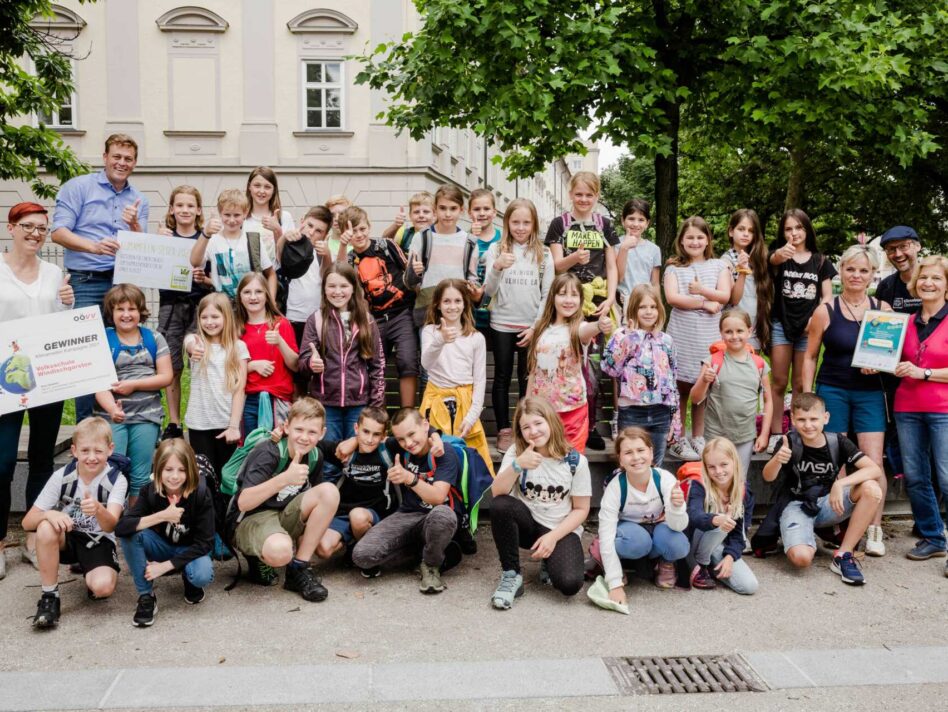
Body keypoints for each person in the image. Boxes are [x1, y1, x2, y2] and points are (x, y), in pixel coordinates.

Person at [51, 133, 149, 421]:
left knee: (118, 353)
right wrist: (93, 246)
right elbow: (58, 232)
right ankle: (86, 426)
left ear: (135, 163)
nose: (122, 163)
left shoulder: (138, 199)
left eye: (128, 159)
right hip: (86, 281)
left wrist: (133, 224)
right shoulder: (78, 187)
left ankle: (116, 421)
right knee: (86, 357)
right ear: (105, 157)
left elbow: (140, 245)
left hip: (121, 283)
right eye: (116, 156)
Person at [0, 202, 74, 578]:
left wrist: (69, 305)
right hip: (6, 381)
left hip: (47, 378)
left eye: (41, 228)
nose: (35, 233)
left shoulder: (53, 272)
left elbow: (59, 327)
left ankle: (32, 537)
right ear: (11, 227)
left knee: (43, 460)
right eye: (27, 226)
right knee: (3, 461)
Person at [802, 244, 889, 556]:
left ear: (872, 275)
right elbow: (810, 356)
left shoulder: (883, 308)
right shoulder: (825, 311)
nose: (856, 275)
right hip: (833, 389)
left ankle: (874, 529)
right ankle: (840, 525)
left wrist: (879, 363)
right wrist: (808, 395)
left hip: (869, 393)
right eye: (851, 269)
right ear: (841, 271)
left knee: (873, 460)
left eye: (863, 270)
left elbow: (891, 355)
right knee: (835, 459)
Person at [762, 393, 883, 586]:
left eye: (813, 419)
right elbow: (767, 477)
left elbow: (874, 469)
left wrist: (840, 483)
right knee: (801, 559)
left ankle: (844, 555)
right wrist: (777, 459)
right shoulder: (789, 442)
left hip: (829, 504)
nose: (808, 425)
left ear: (825, 418)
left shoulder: (838, 442)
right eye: (801, 419)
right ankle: (800, 535)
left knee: (871, 488)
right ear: (793, 419)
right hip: (796, 505)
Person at [22, 418, 128, 629]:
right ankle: (49, 597)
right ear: (74, 451)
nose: (91, 457)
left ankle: (91, 570)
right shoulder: (62, 476)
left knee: (102, 588)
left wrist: (98, 509)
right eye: (85, 450)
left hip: (97, 540)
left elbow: (111, 526)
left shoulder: (117, 479)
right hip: (67, 537)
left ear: (110, 449)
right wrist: (49, 515)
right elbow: (27, 523)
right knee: (44, 527)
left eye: (98, 451)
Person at [233, 397, 340, 601]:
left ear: (322, 433)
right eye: (299, 429)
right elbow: (243, 502)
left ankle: (298, 569)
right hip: (251, 518)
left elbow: (314, 506)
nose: (304, 437)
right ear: (286, 427)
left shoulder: (315, 455)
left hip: (283, 514)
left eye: (312, 432)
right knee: (280, 551)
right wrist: (284, 479)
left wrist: (312, 541)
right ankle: (258, 556)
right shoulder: (268, 452)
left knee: (329, 491)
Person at [489, 397, 591, 609]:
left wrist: (553, 537)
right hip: (527, 524)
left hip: (558, 528)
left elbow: (581, 509)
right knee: (501, 505)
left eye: (538, 423)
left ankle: (549, 560)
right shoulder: (517, 453)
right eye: (526, 427)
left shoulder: (575, 461)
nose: (533, 431)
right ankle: (511, 575)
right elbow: (497, 492)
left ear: (551, 422)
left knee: (570, 584)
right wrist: (517, 466)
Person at [351, 408, 462, 595]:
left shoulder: (443, 452)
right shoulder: (399, 446)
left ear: (425, 426)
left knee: (442, 515)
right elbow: (375, 439)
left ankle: (432, 565)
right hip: (407, 515)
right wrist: (351, 441)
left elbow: (437, 497)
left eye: (412, 434)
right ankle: (426, 553)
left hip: (436, 517)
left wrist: (409, 478)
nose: (408, 443)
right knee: (362, 556)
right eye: (401, 439)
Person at [545, 171, 619, 450]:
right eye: (579, 194)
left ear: (597, 196)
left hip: (597, 305)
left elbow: (611, 266)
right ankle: (562, 425)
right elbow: (555, 265)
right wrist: (574, 257)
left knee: (594, 367)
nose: (584, 199)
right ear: (570, 194)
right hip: (567, 303)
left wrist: (610, 298)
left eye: (589, 195)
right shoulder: (559, 225)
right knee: (567, 362)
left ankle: (591, 426)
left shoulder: (604, 226)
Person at [299, 262, 385, 478]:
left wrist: (375, 406)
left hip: (359, 405)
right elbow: (303, 361)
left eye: (343, 286)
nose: (337, 292)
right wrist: (311, 364)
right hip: (326, 403)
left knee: (359, 459)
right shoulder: (316, 320)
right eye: (332, 286)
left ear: (353, 288)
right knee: (330, 462)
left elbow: (377, 365)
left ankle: (354, 506)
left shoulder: (366, 320)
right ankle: (331, 508)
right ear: (324, 289)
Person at [116, 439, 215, 626]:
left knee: (202, 574)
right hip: (161, 546)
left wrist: (165, 566)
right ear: (159, 469)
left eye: (181, 470)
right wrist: (162, 516)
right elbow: (121, 528)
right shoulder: (150, 491)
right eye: (169, 469)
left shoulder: (201, 493)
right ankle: (146, 596)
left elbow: (205, 543)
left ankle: (189, 578)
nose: (175, 476)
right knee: (131, 533)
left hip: (191, 550)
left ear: (190, 470)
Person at [483, 198, 554, 452]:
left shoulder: (543, 253)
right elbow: (488, 291)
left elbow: (548, 295)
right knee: (502, 377)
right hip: (502, 324)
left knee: (528, 381)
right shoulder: (496, 250)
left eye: (526, 222)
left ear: (534, 223)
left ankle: (528, 430)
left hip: (530, 327)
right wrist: (497, 267)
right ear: (507, 222)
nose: (521, 227)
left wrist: (535, 326)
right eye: (515, 222)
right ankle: (504, 430)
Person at [893, 255, 948, 572]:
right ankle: (933, 538)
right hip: (907, 407)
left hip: (943, 408)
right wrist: (877, 363)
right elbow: (891, 358)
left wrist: (923, 372)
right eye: (924, 277)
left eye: (936, 278)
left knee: (946, 477)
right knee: (915, 478)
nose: (928, 283)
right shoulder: (905, 323)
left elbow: (920, 368)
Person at [95, 285, 173, 501]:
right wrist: (112, 408)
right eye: (120, 309)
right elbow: (97, 383)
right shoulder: (103, 340)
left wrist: (134, 385)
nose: (127, 315)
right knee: (111, 472)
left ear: (141, 311)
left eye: (132, 309)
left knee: (140, 476)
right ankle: (111, 527)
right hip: (111, 417)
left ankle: (134, 526)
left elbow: (166, 376)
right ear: (111, 312)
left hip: (146, 416)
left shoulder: (154, 338)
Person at [663, 217, 732, 461]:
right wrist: (704, 303)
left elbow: (724, 296)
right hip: (682, 334)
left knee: (702, 386)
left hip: (709, 335)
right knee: (680, 387)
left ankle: (699, 436)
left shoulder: (718, 266)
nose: (695, 241)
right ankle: (678, 437)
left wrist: (701, 291)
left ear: (708, 240)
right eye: (689, 237)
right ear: (681, 240)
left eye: (700, 237)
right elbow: (672, 298)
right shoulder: (673, 268)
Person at [767, 209, 836, 454]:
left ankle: (796, 432)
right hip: (780, 325)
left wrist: (815, 321)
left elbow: (827, 297)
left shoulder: (820, 261)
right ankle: (777, 433)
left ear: (807, 230)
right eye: (788, 228)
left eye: (799, 228)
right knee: (778, 381)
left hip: (808, 329)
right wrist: (779, 254)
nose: (794, 233)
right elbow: (771, 260)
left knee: (800, 382)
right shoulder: (779, 256)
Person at [597, 427, 689, 603]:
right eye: (628, 452)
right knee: (639, 541)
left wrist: (677, 507)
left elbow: (678, 527)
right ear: (621, 459)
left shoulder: (664, 478)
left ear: (651, 452)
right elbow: (606, 534)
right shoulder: (616, 487)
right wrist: (614, 584)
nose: (636, 457)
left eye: (641, 450)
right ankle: (620, 565)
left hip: (658, 527)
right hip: (629, 533)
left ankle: (665, 562)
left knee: (678, 544)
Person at [345, 205, 421, 407]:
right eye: (353, 231)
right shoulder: (351, 259)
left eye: (362, 229)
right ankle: (379, 415)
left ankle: (407, 411)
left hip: (401, 313)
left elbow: (409, 271)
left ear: (369, 227)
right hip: (374, 319)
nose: (359, 235)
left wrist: (416, 275)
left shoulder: (386, 245)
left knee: (407, 360)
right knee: (375, 365)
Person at [528, 273, 613, 453]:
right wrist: (528, 406)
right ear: (553, 297)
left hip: (572, 411)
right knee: (544, 464)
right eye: (562, 293)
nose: (568, 300)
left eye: (574, 295)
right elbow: (534, 372)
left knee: (570, 464)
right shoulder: (541, 329)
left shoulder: (577, 329)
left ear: (581, 300)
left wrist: (599, 325)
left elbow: (587, 331)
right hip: (543, 413)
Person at [155, 185, 212, 440]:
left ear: (199, 210)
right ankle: (175, 422)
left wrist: (205, 277)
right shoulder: (164, 238)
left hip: (201, 306)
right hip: (170, 306)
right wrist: (157, 242)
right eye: (180, 205)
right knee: (172, 367)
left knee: (200, 364)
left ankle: (199, 419)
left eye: (190, 205)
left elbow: (215, 275)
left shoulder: (207, 238)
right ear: (171, 209)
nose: (185, 210)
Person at [314, 406, 399, 576]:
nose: (369, 439)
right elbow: (314, 442)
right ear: (356, 429)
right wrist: (281, 432)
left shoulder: (388, 448)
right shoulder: (344, 451)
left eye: (376, 434)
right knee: (322, 549)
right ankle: (352, 546)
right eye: (365, 432)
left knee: (358, 517)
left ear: (383, 436)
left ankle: (368, 558)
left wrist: (434, 436)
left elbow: (418, 434)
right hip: (345, 512)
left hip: (377, 514)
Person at [419, 279, 493, 472]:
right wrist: (440, 340)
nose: (453, 306)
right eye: (447, 301)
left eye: (457, 301)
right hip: (436, 403)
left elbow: (480, 380)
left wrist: (471, 417)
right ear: (437, 304)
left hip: (465, 406)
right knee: (437, 461)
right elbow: (426, 363)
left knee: (468, 465)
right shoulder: (430, 331)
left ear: (465, 303)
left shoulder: (476, 338)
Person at [602, 284, 680, 467]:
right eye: (642, 307)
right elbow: (610, 368)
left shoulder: (666, 341)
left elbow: (672, 380)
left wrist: (675, 419)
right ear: (633, 309)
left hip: (661, 412)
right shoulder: (622, 335)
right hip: (632, 413)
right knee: (631, 466)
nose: (648, 312)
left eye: (653, 307)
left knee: (655, 467)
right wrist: (629, 339)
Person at [690, 309, 772, 481]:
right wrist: (704, 381)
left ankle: (737, 509)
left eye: (740, 331)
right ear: (721, 333)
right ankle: (714, 509)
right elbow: (695, 398)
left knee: (738, 482)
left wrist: (764, 434)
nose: (734, 336)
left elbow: (768, 400)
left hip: (745, 436)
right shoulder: (712, 361)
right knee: (716, 480)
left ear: (750, 331)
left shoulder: (759, 364)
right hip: (716, 435)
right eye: (728, 332)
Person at [183, 293, 248, 477]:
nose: (209, 322)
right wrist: (191, 348)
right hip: (199, 424)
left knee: (226, 476)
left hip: (226, 424)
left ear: (226, 317)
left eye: (215, 317)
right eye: (204, 317)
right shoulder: (198, 343)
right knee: (204, 476)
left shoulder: (238, 347)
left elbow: (239, 389)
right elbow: (188, 341)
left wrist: (234, 426)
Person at [686, 437, 758, 594]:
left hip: (720, 544)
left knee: (749, 586)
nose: (718, 471)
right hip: (695, 543)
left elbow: (741, 533)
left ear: (735, 462)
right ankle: (700, 564)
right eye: (712, 467)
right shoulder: (699, 486)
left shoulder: (744, 491)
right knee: (722, 523)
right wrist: (716, 519)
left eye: (724, 464)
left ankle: (711, 564)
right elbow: (694, 516)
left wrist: (730, 556)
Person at [407, 184, 478, 329]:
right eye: (443, 208)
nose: (447, 214)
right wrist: (414, 272)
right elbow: (409, 282)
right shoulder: (421, 238)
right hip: (428, 312)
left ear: (461, 210)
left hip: (457, 313)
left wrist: (473, 287)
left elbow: (472, 277)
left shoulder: (469, 242)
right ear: (435, 209)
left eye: (453, 208)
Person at [236, 272, 299, 433]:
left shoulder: (281, 324)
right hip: (248, 399)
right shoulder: (237, 329)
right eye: (247, 292)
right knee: (252, 450)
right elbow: (228, 367)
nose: (253, 297)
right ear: (240, 296)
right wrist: (251, 366)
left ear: (266, 295)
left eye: (258, 292)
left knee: (275, 450)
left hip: (277, 399)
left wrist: (280, 342)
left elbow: (295, 365)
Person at [190, 188, 276, 302]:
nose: (231, 220)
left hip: (250, 305)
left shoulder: (253, 239)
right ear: (220, 213)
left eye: (236, 215)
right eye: (227, 215)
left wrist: (271, 302)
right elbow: (195, 262)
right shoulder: (213, 240)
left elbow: (271, 274)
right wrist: (205, 233)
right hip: (223, 307)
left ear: (245, 213)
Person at [283, 206, 333, 347]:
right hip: (292, 317)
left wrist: (327, 255)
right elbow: (278, 255)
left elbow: (327, 277)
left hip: (317, 318)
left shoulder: (322, 252)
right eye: (310, 225)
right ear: (302, 221)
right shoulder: (290, 245)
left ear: (325, 235)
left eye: (319, 231)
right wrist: (282, 236)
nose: (311, 232)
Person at [723, 209, 772, 351]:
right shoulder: (726, 260)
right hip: (734, 329)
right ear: (731, 231)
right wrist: (741, 269)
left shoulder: (760, 259)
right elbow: (733, 299)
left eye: (751, 231)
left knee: (753, 369)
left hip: (755, 328)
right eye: (741, 229)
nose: (746, 234)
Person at [245, 166, 294, 275]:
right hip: (248, 281)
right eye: (257, 185)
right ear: (249, 187)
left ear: (274, 190)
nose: (261, 191)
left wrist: (278, 231)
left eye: (267, 187)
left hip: (277, 280)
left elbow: (287, 260)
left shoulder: (284, 217)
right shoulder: (241, 219)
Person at [466, 187, 502, 333]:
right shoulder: (464, 239)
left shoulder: (504, 240)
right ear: (469, 213)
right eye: (476, 209)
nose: (482, 213)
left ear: (494, 212)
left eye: (486, 208)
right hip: (469, 312)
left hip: (496, 313)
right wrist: (472, 239)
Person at [615, 198, 661, 301]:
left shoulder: (654, 249)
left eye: (641, 220)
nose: (635, 224)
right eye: (631, 219)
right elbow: (618, 279)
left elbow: (655, 284)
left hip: (645, 303)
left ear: (647, 223)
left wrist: (658, 307)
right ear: (623, 220)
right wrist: (624, 248)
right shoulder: (614, 245)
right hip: (621, 303)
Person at [876, 226, 922, 314]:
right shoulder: (884, 287)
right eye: (891, 249)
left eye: (904, 246)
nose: (898, 254)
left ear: (918, 246)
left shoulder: (938, 283)